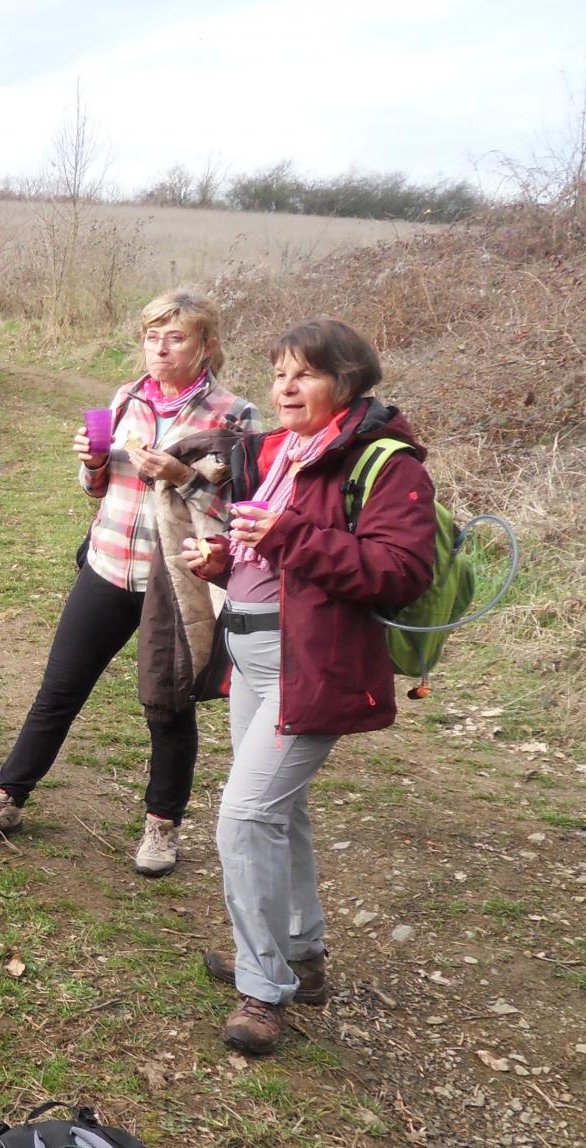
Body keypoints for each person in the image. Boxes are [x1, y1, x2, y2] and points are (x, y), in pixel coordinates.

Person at [180, 319, 435, 1053]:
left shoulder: (387, 464)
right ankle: (300, 955)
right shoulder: (280, 450)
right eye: (279, 373)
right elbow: (270, 555)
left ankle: (262, 992)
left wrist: (286, 536)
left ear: (346, 384)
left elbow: (398, 569)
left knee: (245, 815)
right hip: (253, 652)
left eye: (305, 375)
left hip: (310, 661)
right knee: (279, 814)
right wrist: (222, 561)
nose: (285, 387)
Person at [0, 292, 255, 874]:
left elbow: (243, 508)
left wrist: (185, 475)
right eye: (152, 337)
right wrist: (92, 462)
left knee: (167, 707)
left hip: (177, 581)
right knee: (58, 690)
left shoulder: (234, 415)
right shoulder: (126, 399)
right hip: (109, 564)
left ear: (206, 346)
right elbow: (98, 489)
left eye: (176, 338)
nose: (160, 349)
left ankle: (162, 827)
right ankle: (6, 797)